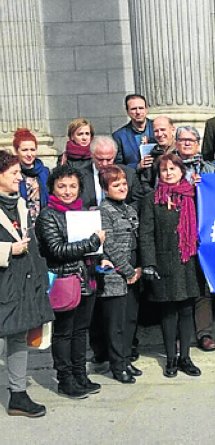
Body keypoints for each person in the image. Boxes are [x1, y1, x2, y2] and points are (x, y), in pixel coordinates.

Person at [35, 164, 105, 399]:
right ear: (53, 188)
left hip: (87, 278)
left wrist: (100, 257)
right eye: (62, 186)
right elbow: (56, 249)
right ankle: (65, 379)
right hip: (65, 279)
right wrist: (92, 243)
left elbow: (94, 245)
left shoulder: (84, 212)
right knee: (64, 332)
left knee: (81, 331)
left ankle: (80, 373)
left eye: (72, 186)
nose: (67, 191)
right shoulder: (48, 216)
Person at [0, 150, 53, 417]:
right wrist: (8, 250)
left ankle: (17, 394)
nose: (19, 178)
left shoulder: (19, 203)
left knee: (18, 336)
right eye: (13, 174)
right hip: (4, 277)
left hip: (19, 280)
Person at [139, 153, 202, 378]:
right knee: (168, 312)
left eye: (172, 169)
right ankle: (171, 358)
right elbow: (145, 234)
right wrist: (149, 263)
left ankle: (185, 356)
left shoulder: (193, 195)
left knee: (186, 309)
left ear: (181, 171)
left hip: (189, 261)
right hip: (164, 262)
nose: (168, 173)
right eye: (164, 170)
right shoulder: (151, 199)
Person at [97, 165, 142, 384]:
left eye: (124, 183)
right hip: (116, 272)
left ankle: (126, 359)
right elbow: (110, 245)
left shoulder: (130, 209)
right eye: (116, 185)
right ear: (106, 189)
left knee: (129, 319)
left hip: (134, 268)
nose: (122, 188)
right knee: (115, 322)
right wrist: (127, 269)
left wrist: (138, 267)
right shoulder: (103, 211)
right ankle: (117, 365)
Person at [175, 125, 215, 352]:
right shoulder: (167, 167)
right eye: (182, 140)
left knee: (203, 286)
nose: (186, 144)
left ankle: (205, 334)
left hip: (205, 234)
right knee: (181, 285)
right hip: (178, 234)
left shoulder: (210, 170)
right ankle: (181, 335)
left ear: (198, 143)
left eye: (191, 140)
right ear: (175, 144)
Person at [12, 128, 50, 224]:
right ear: (16, 151)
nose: (29, 154)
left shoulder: (45, 172)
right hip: (21, 223)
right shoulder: (12, 173)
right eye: (24, 150)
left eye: (32, 150)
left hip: (43, 224)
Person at [113, 94, 156, 170]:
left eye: (141, 108)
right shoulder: (119, 136)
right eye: (133, 109)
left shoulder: (157, 128)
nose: (138, 112)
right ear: (127, 111)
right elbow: (118, 165)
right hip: (134, 178)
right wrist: (137, 166)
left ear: (146, 109)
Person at [139, 116, 177, 193]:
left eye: (163, 130)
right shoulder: (151, 154)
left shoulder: (181, 151)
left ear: (172, 130)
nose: (159, 134)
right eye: (156, 131)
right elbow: (145, 182)